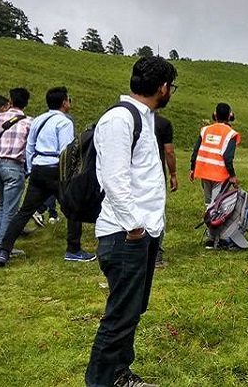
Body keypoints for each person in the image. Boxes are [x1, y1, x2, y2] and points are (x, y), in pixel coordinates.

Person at [85, 56, 176, 387]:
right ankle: (99, 382)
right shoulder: (119, 119)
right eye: (171, 87)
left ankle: (119, 374)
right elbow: (114, 178)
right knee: (119, 316)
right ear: (162, 87)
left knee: (132, 310)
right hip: (125, 234)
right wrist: (135, 226)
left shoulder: (144, 118)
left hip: (144, 232)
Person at [0, 87, 93, 266]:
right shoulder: (64, 122)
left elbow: (30, 146)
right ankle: (73, 249)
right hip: (56, 168)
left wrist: (32, 168)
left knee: (25, 211)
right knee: (74, 207)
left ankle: (4, 249)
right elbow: (66, 151)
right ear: (64, 102)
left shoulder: (38, 119)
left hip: (38, 168)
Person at [0, 88, 31, 252]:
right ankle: (3, 246)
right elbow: (30, 147)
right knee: (11, 209)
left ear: (10, 102)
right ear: (26, 103)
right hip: (14, 165)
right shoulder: (29, 122)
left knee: (2, 205)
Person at [190, 102, 240, 249]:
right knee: (217, 205)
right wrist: (232, 175)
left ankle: (211, 238)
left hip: (204, 171)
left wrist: (193, 168)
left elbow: (196, 150)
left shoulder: (205, 130)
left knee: (208, 204)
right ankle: (215, 239)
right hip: (220, 174)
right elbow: (228, 157)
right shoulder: (230, 134)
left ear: (215, 115)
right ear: (230, 115)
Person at [153, 112, 178, 267]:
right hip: (155, 175)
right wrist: (173, 174)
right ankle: (156, 255)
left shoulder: (125, 119)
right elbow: (168, 151)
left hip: (129, 176)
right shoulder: (163, 123)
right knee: (157, 215)